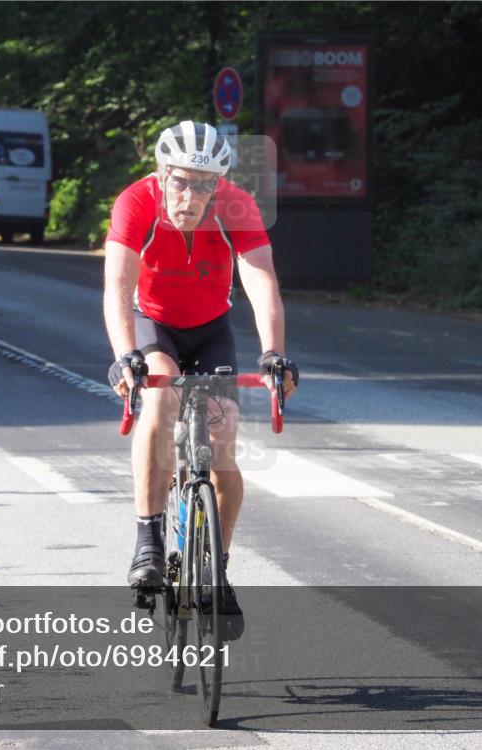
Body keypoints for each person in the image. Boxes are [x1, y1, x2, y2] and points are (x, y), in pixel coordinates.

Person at [103, 120, 298, 637]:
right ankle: (148, 540)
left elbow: (260, 279)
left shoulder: (237, 206)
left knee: (223, 439)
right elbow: (117, 288)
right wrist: (126, 356)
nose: (192, 194)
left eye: (205, 184)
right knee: (161, 394)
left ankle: (219, 570)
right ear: (163, 174)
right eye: (182, 181)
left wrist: (274, 353)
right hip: (154, 323)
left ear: (220, 185)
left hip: (211, 327)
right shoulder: (136, 203)